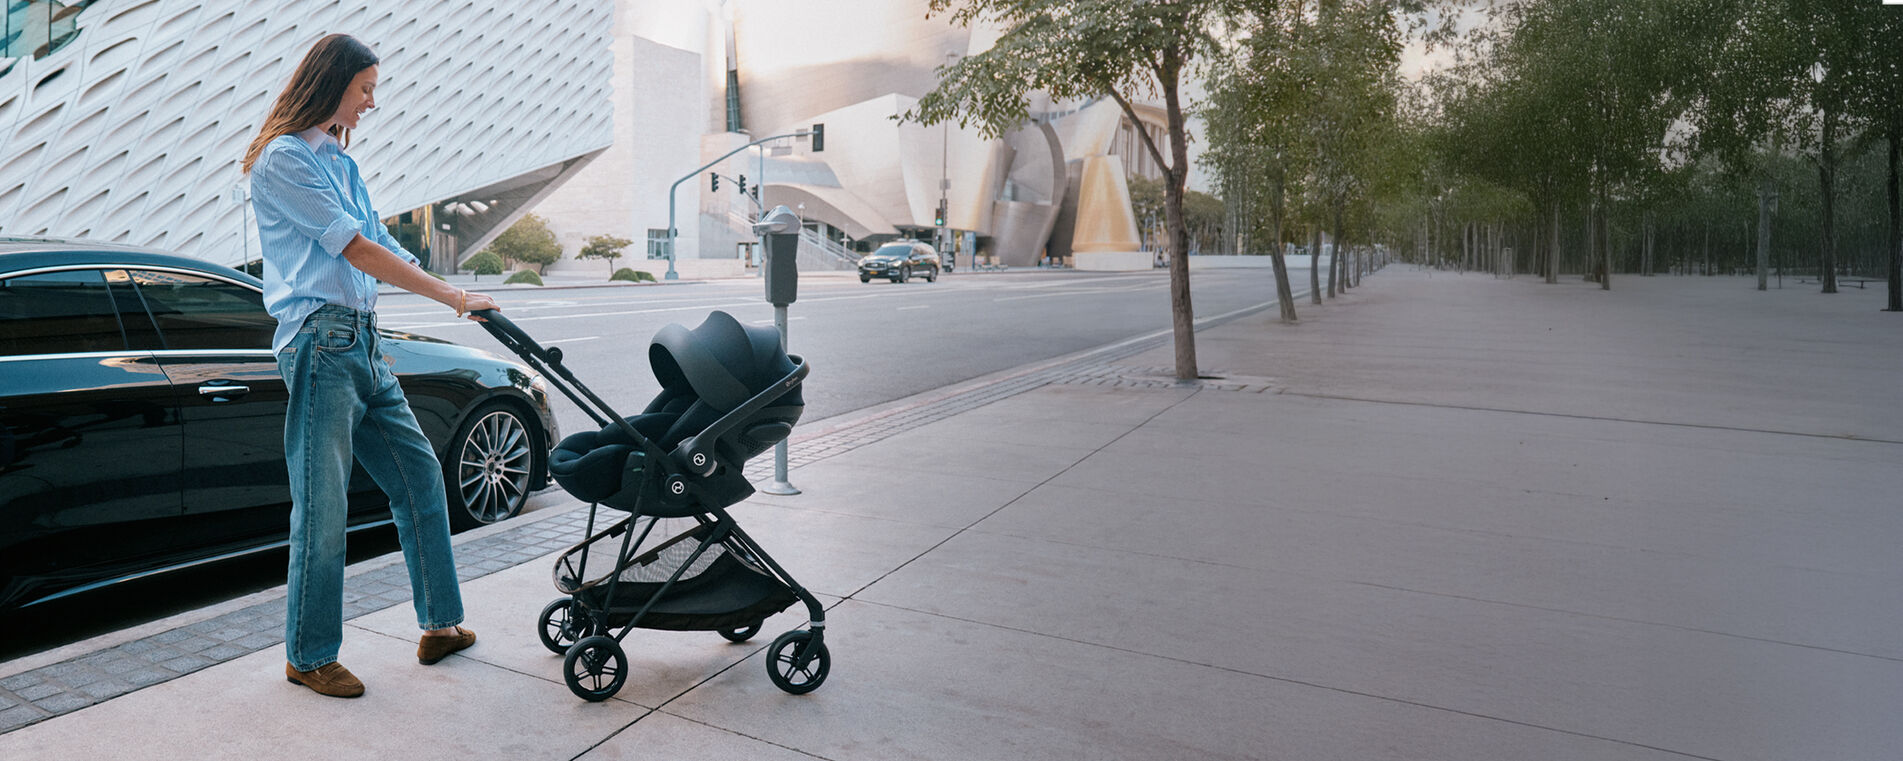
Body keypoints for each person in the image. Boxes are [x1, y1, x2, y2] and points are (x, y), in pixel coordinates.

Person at [242, 33, 494, 698]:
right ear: (330, 84)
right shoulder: (283, 160)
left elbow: (379, 240)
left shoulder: (341, 164)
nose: (371, 103)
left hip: (360, 340)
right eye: (365, 89)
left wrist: (450, 284)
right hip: (320, 345)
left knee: (420, 477)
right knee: (322, 508)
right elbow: (354, 249)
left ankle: (441, 623)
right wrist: (453, 298)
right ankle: (309, 652)